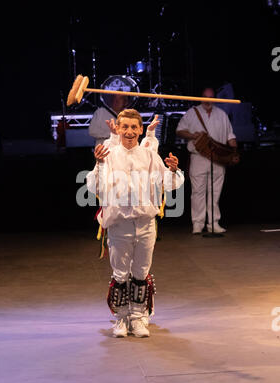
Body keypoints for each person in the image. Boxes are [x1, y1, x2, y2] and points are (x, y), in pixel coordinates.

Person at [86, 109, 184, 338]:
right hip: (119, 224)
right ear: (117, 129)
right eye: (125, 127)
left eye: (134, 127)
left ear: (140, 129)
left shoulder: (150, 156)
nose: (129, 132)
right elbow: (95, 188)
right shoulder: (108, 154)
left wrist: (173, 170)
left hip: (145, 223)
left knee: (141, 271)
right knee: (120, 273)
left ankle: (139, 317)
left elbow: (168, 186)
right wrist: (99, 164)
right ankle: (121, 318)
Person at [176, 87, 237, 234]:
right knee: (198, 192)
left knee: (215, 193)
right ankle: (197, 224)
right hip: (199, 157)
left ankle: (213, 223)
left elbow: (230, 136)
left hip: (218, 158)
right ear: (201, 98)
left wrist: (234, 151)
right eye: (205, 97)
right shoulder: (192, 113)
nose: (208, 101)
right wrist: (192, 135)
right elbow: (179, 130)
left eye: (210, 98)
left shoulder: (221, 114)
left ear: (214, 98)